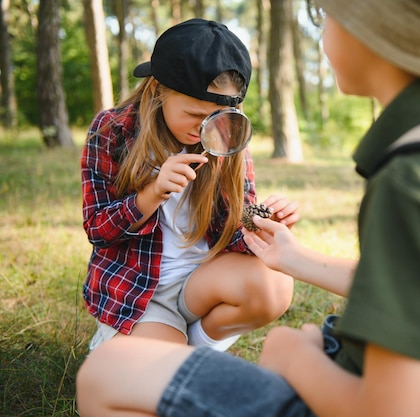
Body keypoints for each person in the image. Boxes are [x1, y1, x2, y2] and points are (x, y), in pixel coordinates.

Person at [76, 1, 420, 416]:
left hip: (372, 388)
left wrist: (293, 354)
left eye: (328, 15)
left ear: (377, 36)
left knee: (104, 374)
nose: (322, 32)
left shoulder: (416, 180)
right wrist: (293, 257)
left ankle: (168, 354)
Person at [80, 18, 296, 352]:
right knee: (149, 390)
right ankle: (140, 346)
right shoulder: (112, 129)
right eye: (195, 115)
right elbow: (97, 229)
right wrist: (151, 194)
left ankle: (187, 352)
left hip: (201, 283)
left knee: (275, 286)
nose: (205, 129)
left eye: (216, 118)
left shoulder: (227, 134)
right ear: (157, 90)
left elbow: (235, 230)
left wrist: (264, 224)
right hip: (139, 290)